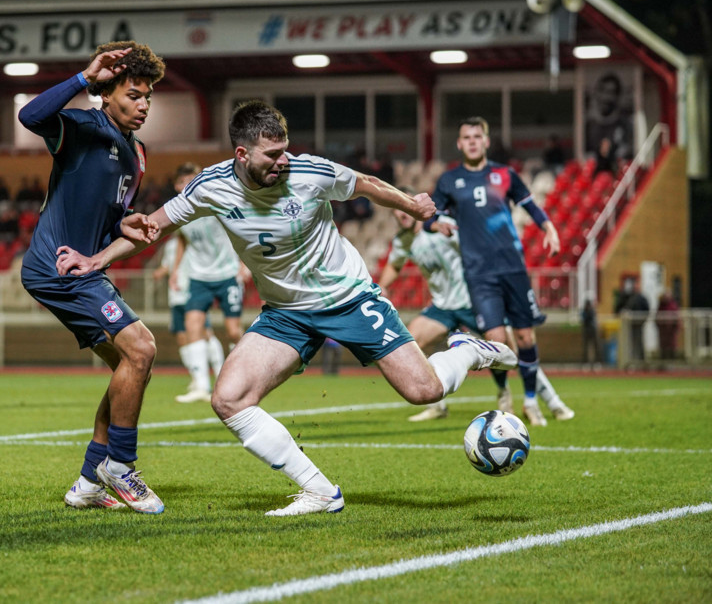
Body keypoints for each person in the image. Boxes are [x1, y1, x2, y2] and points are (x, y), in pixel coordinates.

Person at [57, 101, 518, 516]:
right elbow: (153, 227)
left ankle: (468, 350)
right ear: (242, 155)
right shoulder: (211, 187)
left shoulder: (310, 171)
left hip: (350, 299)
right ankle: (319, 491)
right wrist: (96, 260)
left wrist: (414, 206)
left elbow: (365, 185)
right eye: (271, 155)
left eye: (285, 150)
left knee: (425, 391)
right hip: (285, 313)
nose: (283, 161)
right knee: (229, 398)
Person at [18, 41, 167, 514]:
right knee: (141, 349)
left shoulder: (138, 154)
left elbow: (106, 216)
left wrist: (124, 224)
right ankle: (121, 468)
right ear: (107, 94)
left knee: (130, 366)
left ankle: (88, 481)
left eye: (148, 97)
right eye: (134, 95)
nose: (144, 105)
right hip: (57, 266)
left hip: (84, 267)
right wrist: (84, 77)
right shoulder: (83, 125)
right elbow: (30, 116)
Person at [378, 193, 574, 422]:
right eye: (396, 213)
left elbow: (478, 242)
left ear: (413, 206)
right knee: (411, 343)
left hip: (472, 301)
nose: (401, 216)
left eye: (404, 209)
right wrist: (381, 286)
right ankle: (437, 405)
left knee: (509, 348)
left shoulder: (445, 225)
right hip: (442, 306)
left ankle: (551, 401)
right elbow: (394, 265)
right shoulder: (403, 241)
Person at [427, 117, 561, 426]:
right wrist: (438, 224)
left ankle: (531, 400)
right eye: (466, 137)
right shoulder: (449, 181)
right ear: (459, 144)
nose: (472, 141)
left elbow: (530, 205)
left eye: (478, 136)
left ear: (486, 141)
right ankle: (504, 393)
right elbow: (430, 217)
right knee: (496, 339)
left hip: (512, 267)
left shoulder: (505, 174)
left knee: (526, 336)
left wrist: (549, 229)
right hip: (479, 272)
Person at [168, 162, 249, 403]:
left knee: (234, 330)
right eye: (185, 181)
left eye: (194, 179)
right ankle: (202, 386)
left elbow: (242, 229)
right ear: (177, 185)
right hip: (199, 277)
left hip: (227, 274)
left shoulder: (217, 202)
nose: (190, 185)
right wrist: (175, 270)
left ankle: (244, 375)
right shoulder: (177, 210)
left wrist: (244, 263)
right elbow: (182, 240)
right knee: (193, 325)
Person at [151, 233, 227, 403]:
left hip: (193, 291)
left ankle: (221, 375)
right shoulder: (171, 245)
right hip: (175, 296)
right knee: (181, 337)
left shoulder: (196, 238)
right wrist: (161, 272)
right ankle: (196, 376)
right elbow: (168, 265)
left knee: (204, 332)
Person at [585, 72, 633, 162]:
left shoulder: (625, 124)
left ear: (617, 96)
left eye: (610, 92)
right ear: (596, 93)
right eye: (602, 90)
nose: (605, 97)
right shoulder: (588, 125)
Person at [580, 297, 603, 368]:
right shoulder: (584, 311)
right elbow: (583, 319)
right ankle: (586, 362)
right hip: (586, 330)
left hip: (593, 330)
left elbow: (594, 319)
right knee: (586, 347)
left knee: (596, 346)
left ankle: (597, 362)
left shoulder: (592, 311)